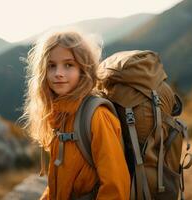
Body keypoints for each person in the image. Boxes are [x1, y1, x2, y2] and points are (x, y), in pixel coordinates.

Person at [20, 28, 130, 200]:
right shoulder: (60, 115)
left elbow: (115, 187)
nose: (58, 73)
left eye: (69, 65)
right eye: (51, 66)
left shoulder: (97, 116)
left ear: (83, 69)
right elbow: (60, 184)